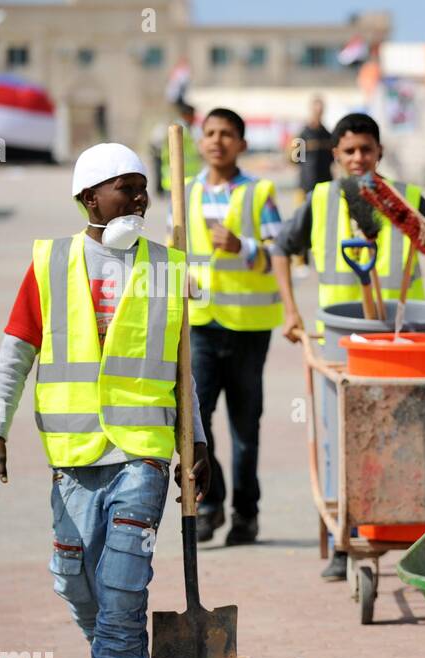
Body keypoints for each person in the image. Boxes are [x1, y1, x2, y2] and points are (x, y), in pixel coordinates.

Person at [0, 143, 211, 658]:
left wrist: (200, 442)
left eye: (143, 188)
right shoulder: (50, 263)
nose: (137, 199)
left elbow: (182, 367)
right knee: (75, 581)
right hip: (74, 452)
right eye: (123, 188)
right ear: (88, 198)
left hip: (144, 450)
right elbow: (15, 354)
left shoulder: (167, 265)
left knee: (123, 579)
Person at [273, 112, 425, 581]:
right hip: (341, 343)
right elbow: (281, 246)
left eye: (367, 150)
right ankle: (345, 537)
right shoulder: (320, 200)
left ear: (379, 152)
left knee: (418, 440)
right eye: (349, 151)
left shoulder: (406, 200)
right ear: (335, 155)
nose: (359, 158)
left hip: (403, 340)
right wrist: (291, 313)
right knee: (344, 443)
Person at [174, 108, 283, 545]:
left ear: (241, 143)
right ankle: (212, 502)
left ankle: (246, 515)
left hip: (249, 327)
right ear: (200, 142)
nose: (217, 141)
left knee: (245, 426)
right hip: (200, 324)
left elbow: (282, 253)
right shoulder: (184, 191)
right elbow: (172, 251)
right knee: (195, 420)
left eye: (227, 134)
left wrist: (245, 246)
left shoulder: (260, 193)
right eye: (210, 133)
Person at [291, 96, 334, 209]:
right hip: (305, 186)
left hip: (324, 185)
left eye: (320, 111)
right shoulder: (303, 135)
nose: (318, 113)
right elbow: (294, 159)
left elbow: (333, 159)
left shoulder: (328, 135)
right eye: (316, 110)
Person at [156, 102, 201, 196]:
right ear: (186, 115)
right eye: (193, 115)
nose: (194, 118)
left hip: (189, 176)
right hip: (175, 175)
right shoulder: (176, 129)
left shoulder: (191, 128)